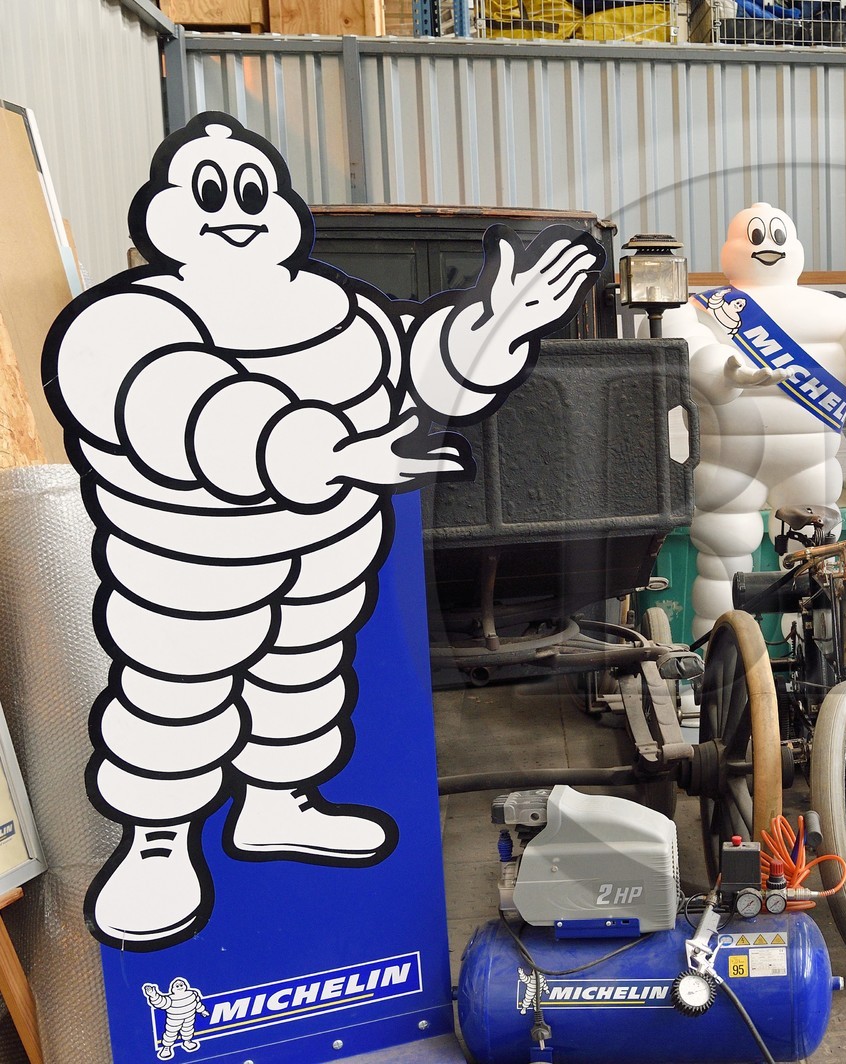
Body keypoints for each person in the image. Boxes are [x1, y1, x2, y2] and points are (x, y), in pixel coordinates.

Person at [44, 111, 599, 951]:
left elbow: (414, 366)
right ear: (167, 213)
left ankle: (278, 804)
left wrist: (497, 323)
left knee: (301, 681)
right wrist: (325, 451)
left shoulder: (331, 307)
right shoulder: (125, 323)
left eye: (251, 191)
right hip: (192, 564)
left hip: (323, 554)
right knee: (174, 695)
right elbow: (184, 404)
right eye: (210, 192)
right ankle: (158, 843)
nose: (235, 209)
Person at [660, 202, 846, 638]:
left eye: (777, 235)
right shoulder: (701, 308)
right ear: (732, 248)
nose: (768, 245)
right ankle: (718, 661)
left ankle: (814, 664)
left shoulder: (838, 312)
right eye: (756, 235)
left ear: (795, 246)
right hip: (728, 462)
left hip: (809, 463)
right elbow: (683, 347)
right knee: (723, 562)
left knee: (816, 569)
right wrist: (722, 371)